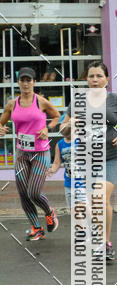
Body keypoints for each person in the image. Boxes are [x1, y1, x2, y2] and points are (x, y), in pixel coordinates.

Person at [59, 61, 117, 262]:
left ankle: (105, 244)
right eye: (91, 76)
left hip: (112, 158)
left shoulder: (116, 100)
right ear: (86, 79)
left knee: (100, 198)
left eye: (99, 76)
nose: (94, 80)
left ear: (107, 79)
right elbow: (62, 130)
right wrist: (71, 125)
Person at [0, 66, 60, 241]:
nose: (25, 84)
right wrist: (2, 128)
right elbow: (2, 121)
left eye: (29, 80)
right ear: (18, 82)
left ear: (34, 82)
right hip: (21, 153)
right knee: (22, 192)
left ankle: (50, 212)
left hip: (40, 153)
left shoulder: (41, 101)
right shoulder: (12, 104)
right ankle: (36, 228)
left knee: (33, 192)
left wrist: (47, 128)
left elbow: (56, 116)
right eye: (22, 80)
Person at [48, 120, 76, 208]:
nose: (66, 136)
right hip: (69, 183)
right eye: (63, 134)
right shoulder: (60, 144)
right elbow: (57, 162)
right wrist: (52, 170)